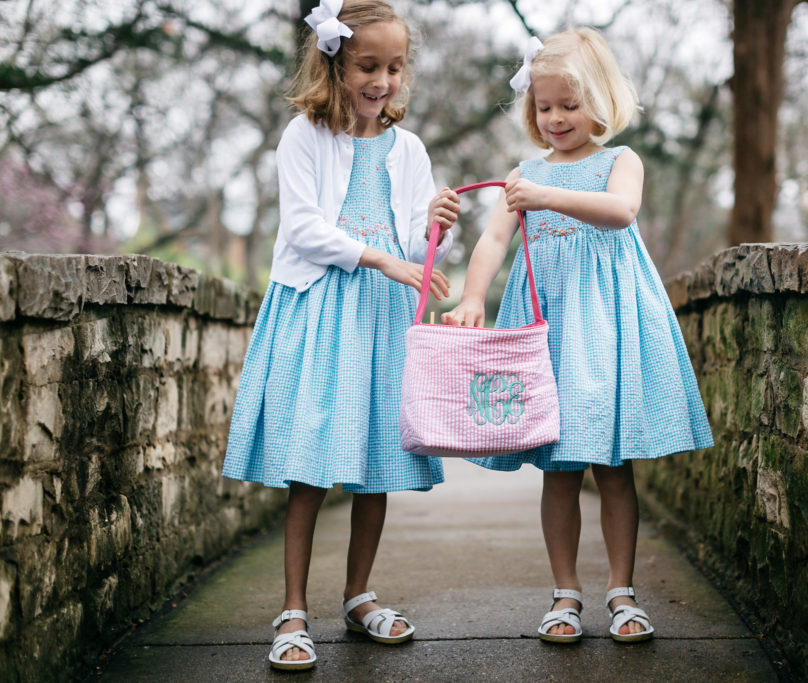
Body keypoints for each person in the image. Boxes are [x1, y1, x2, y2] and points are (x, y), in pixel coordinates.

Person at [442, 27, 713, 644]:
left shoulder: (621, 161)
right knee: (558, 468)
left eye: (570, 104)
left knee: (612, 466)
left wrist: (546, 195)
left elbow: (621, 212)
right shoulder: (524, 173)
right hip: (549, 328)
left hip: (607, 326)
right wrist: (474, 296)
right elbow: (491, 239)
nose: (556, 118)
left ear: (602, 101)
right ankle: (565, 594)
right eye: (544, 106)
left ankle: (623, 591)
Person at [221, 0, 460, 670]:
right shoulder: (305, 135)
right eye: (368, 66)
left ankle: (358, 595)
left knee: (373, 460)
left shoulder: (408, 148)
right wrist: (381, 256)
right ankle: (293, 609)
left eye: (395, 67)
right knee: (312, 463)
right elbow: (302, 228)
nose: (383, 80)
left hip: (381, 316)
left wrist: (438, 225)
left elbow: (416, 240)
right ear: (335, 63)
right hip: (323, 308)